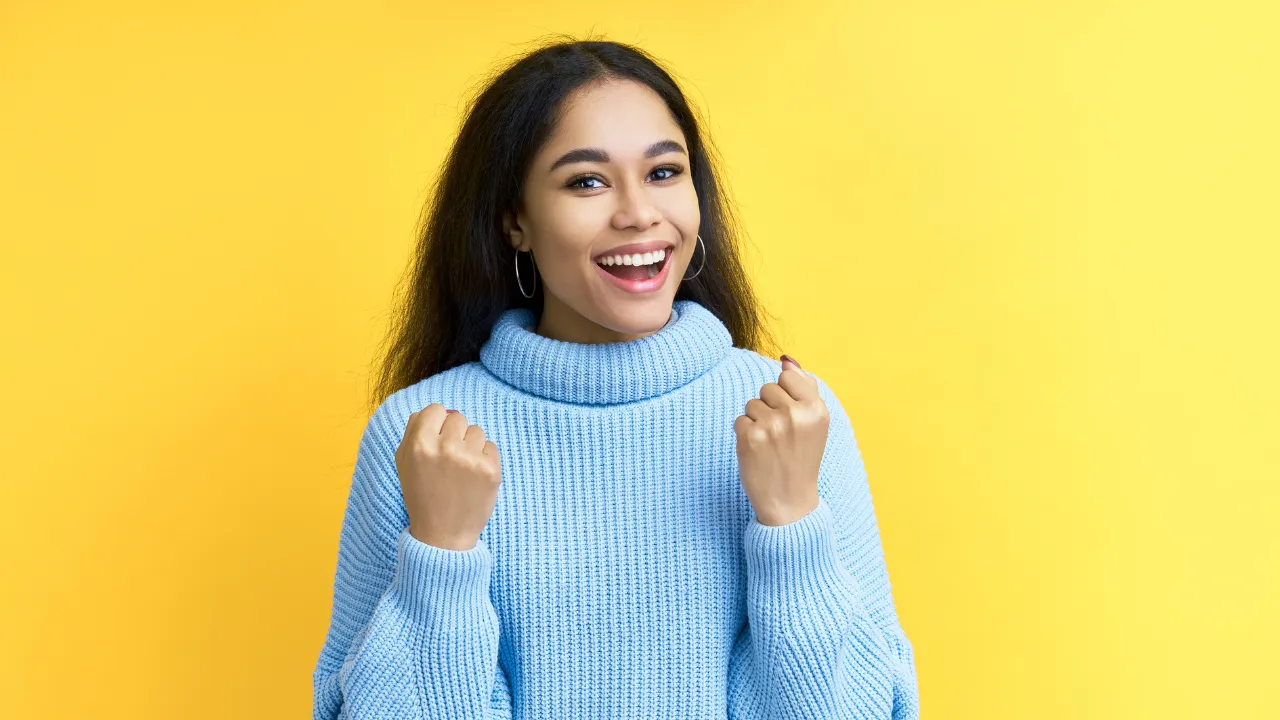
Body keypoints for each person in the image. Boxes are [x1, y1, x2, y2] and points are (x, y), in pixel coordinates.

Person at [312, 36, 919, 720]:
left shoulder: (790, 420)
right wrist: (441, 556)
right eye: (587, 181)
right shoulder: (422, 435)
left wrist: (791, 525)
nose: (637, 212)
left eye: (664, 172)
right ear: (515, 221)